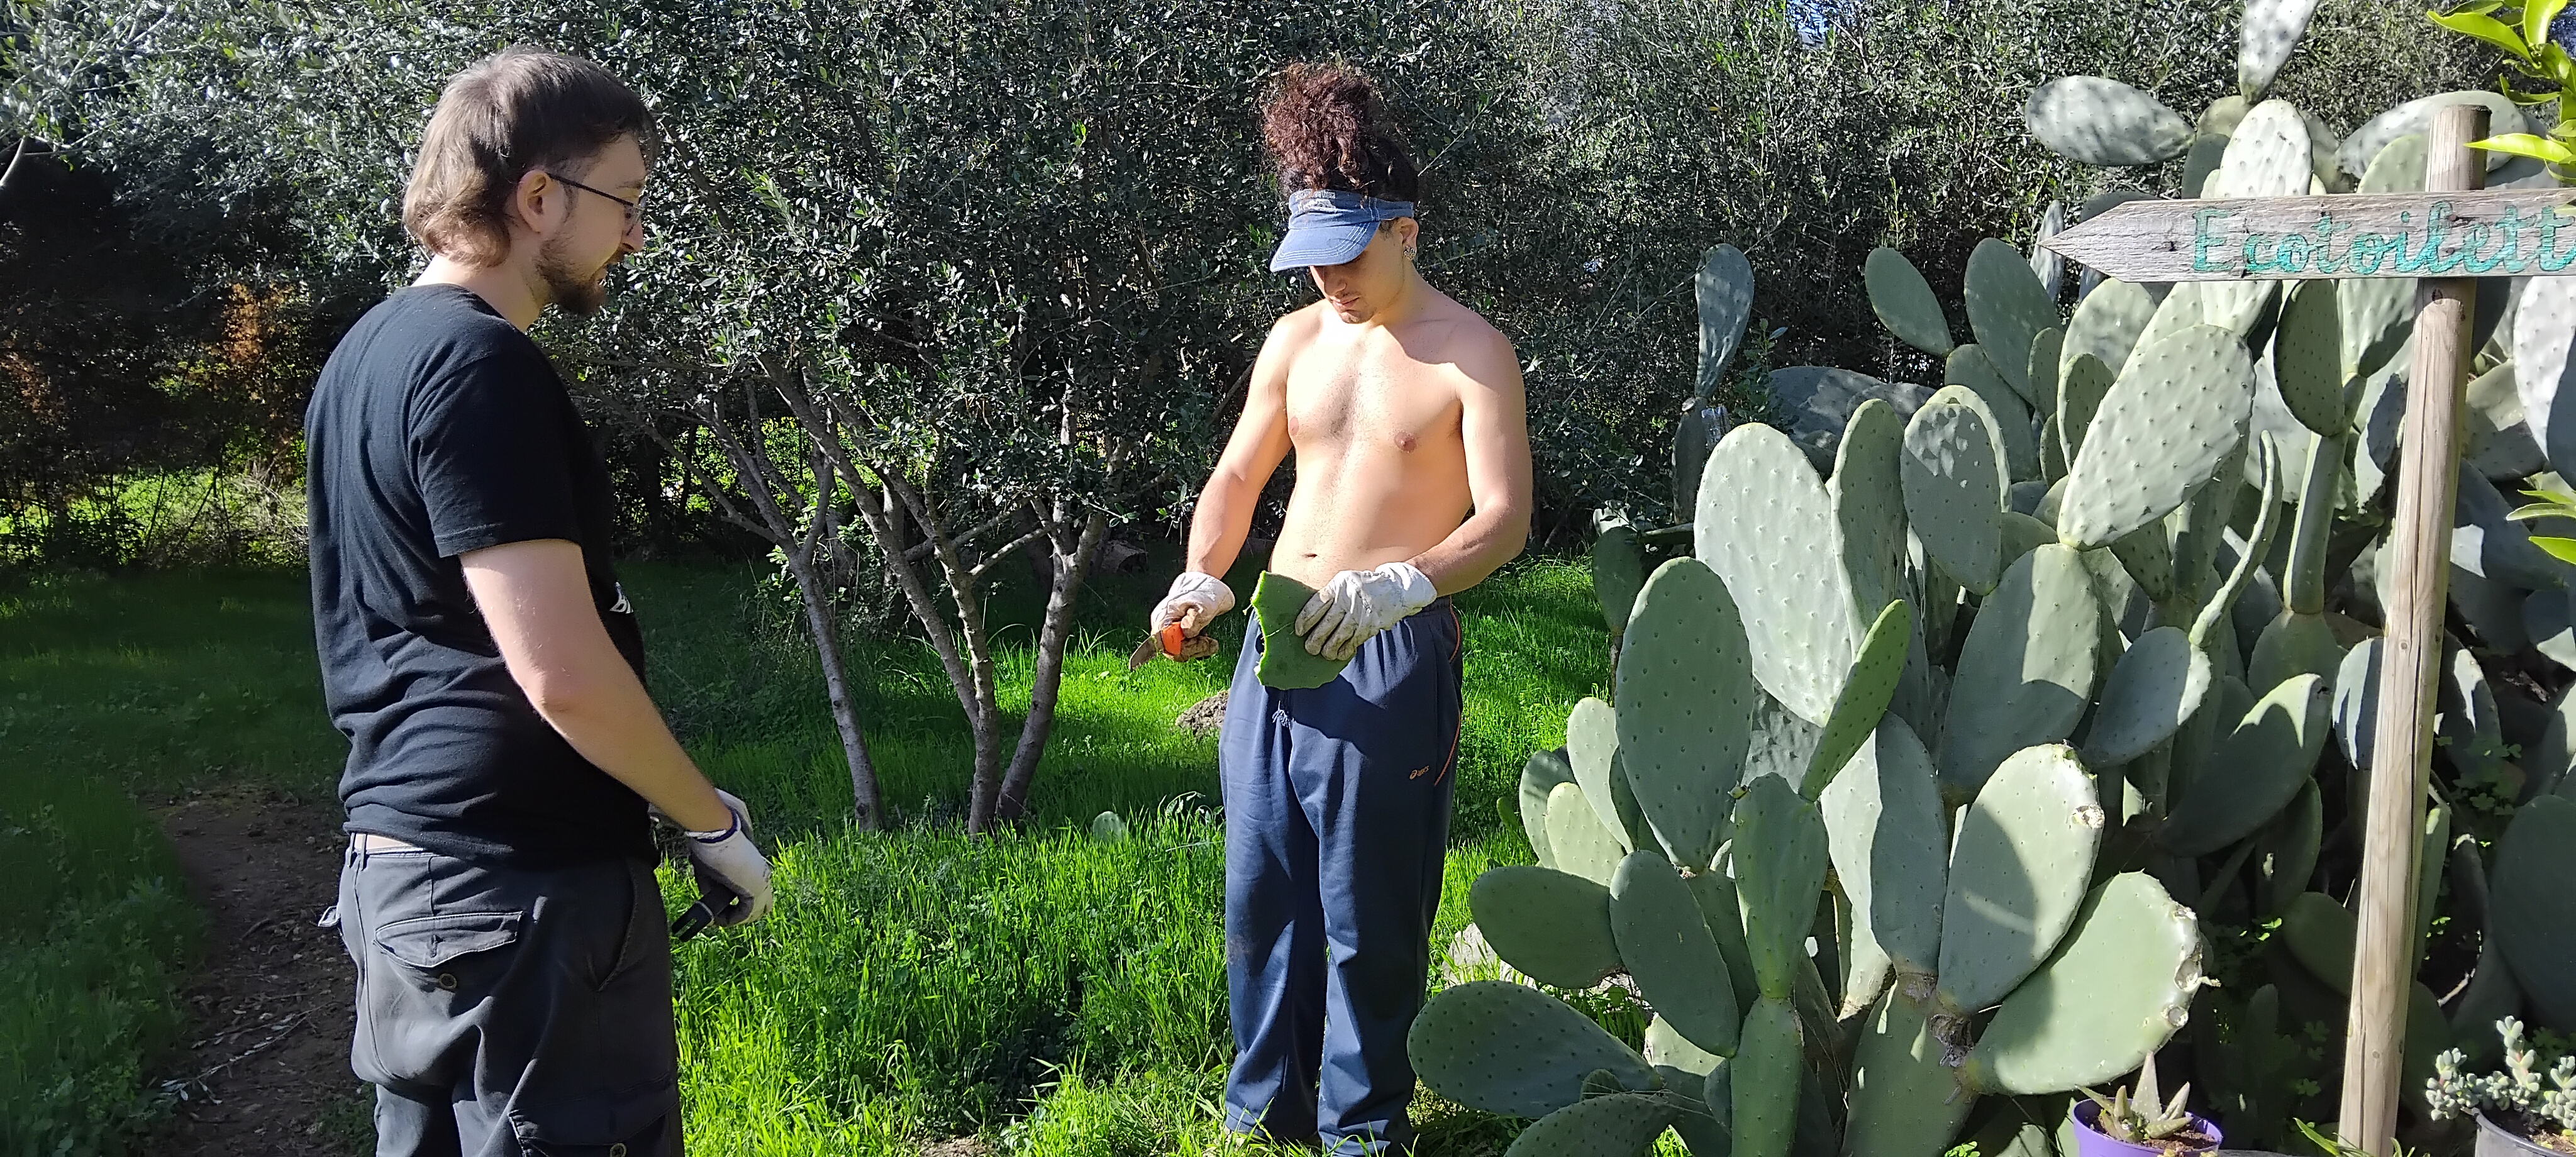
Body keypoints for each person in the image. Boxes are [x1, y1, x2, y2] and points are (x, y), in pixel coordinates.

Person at [304, 47, 770, 1156]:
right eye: (626, 200)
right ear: (538, 197)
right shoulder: (481, 366)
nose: (636, 236)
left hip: (406, 873)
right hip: (519, 891)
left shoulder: (365, 355)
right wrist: (709, 824)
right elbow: (560, 671)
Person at [1150, 62, 1533, 1154]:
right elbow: (1237, 477)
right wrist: (1202, 573)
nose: (1330, 280)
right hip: (1276, 638)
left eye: (1348, 255)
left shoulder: (1473, 354)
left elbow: (1506, 519)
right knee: (1261, 894)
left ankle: (1362, 1130)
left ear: (1404, 232)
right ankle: (1263, 1120)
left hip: (1389, 649)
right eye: (1311, 260)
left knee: (1370, 911)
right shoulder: (1296, 341)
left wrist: (1403, 583)